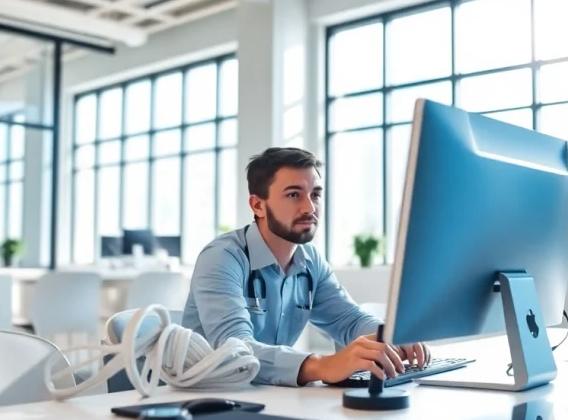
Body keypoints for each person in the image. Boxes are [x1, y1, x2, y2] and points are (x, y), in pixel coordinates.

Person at [181, 147, 431, 387]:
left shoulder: (310, 260)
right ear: (258, 205)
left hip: (268, 394)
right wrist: (322, 365)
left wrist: (390, 336)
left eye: (315, 194)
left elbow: (348, 320)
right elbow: (234, 350)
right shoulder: (222, 257)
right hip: (203, 397)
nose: (310, 208)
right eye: (293, 195)